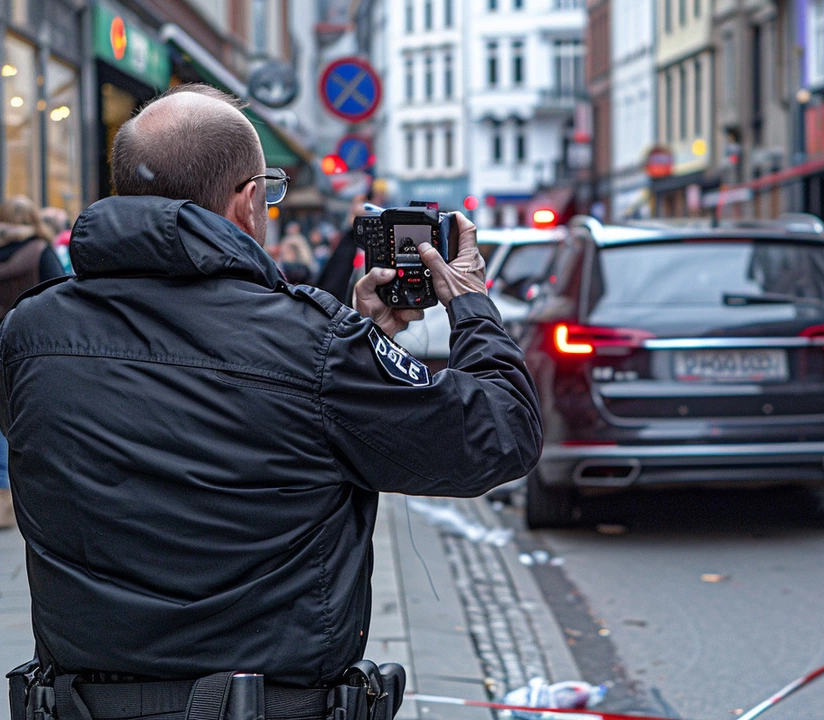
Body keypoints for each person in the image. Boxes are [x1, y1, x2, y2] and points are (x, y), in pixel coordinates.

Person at [0, 85, 541, 701]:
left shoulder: (29, 333)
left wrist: (354, 341)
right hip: (265, 702)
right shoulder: (313, 344)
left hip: (81, 703)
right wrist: (470, 303)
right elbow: (501, 434)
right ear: (248, 201)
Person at [0, 196, 67, 529]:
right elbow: (58, 293)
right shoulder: (39, 251)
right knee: (19, 422)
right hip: (28, 347)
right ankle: (7, 498)